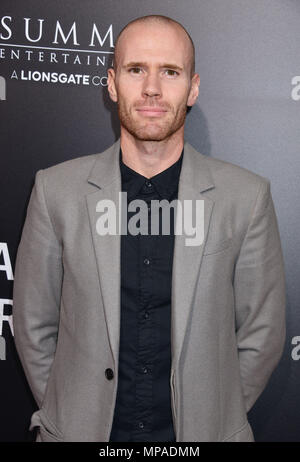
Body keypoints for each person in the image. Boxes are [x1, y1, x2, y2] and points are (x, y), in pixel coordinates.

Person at [12, 14, 286, 442]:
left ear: (192, 87)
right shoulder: (55, 191)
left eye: (170, 72)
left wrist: (212, 415)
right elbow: (33, 323)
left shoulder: (245, 198)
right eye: (135, 69)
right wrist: (70, 412)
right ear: (111, 82)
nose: (152, 88)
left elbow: (262, 333)